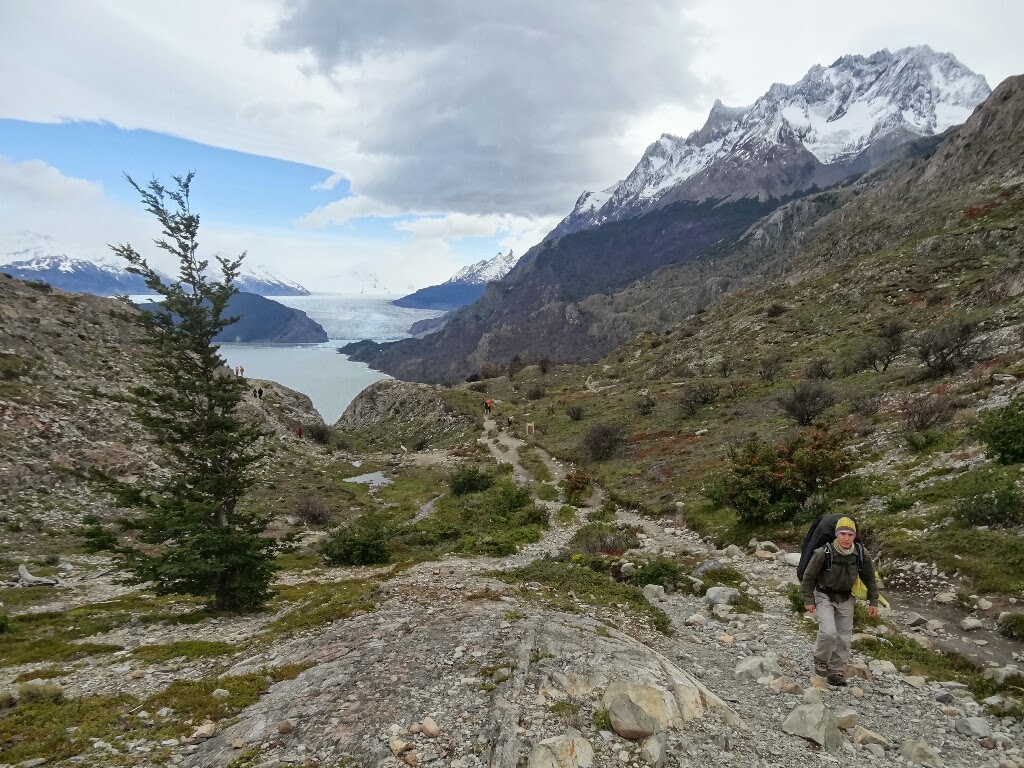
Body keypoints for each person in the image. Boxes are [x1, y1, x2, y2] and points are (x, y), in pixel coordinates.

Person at [800, 516, 879, 686]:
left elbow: (870, 578)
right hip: (824, 594)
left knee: (844, 638)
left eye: (850, 534)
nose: (846, 538)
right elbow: (809, 576)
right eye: (842, 534)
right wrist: (808, 598)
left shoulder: (861, 554)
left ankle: (835, 671)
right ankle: (821, 660)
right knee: (828, 632)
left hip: (846, 597)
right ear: (836, 534)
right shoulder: (823, 553)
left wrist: (873, 601)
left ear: (854, 536)